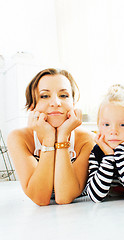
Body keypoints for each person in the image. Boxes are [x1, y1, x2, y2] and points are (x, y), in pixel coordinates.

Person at [7, 68, 94, 206]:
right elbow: (40, 198)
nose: (56, 103)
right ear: (31, 105)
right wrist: (48, 139)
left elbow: (64, 197)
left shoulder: (87, 140)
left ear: (73, 103)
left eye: (64, 95)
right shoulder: (19, 138)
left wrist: (63, 136)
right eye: (45, 96)